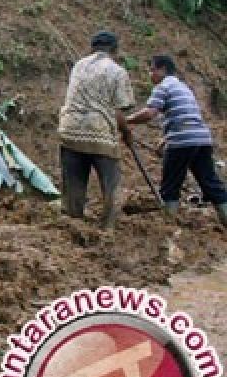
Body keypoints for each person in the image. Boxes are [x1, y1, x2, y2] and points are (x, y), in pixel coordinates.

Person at [124, 54, 227, 225]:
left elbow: (149, 113)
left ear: (163, 70)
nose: (150, 74)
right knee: (210, 182)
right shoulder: (183, 87)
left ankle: (168, 225)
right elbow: (185, 117)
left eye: (152, 70)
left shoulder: (162, 87)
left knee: (171, 185)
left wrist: (125, 120)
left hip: (182, 142)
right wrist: (165, 139)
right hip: (201, 139)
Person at [57, 30, 134, 229]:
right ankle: (108, 229)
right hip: (100, 135)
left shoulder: (78, 66)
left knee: (73, 187)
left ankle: (73, 226)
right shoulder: (117, 71)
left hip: (70, 131)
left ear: (92, 48)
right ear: (115, 50)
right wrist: (126, 133)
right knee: (112, 187)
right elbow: (118, 111)